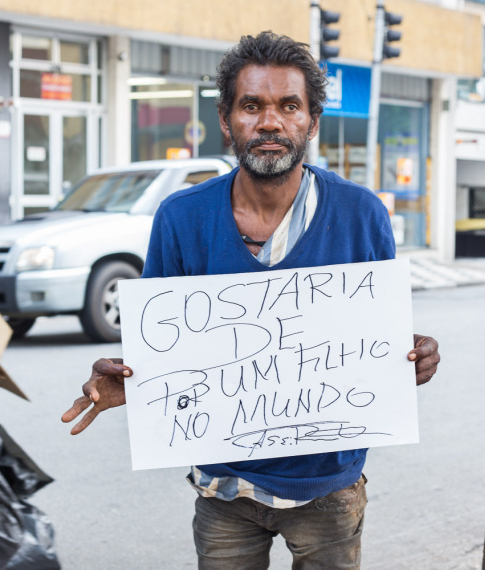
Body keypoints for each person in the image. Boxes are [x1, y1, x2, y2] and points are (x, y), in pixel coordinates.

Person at [62, 31, 441, 569]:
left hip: (328, 485)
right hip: (223, 489)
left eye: (289, 106)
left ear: (311, 121)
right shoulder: (181, 218)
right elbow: (160, 349)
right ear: (226, 119)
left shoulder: (361, 216)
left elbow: (377, 339)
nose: (270, 122)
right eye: (252, 106)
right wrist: (135, 380)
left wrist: (414, 355)